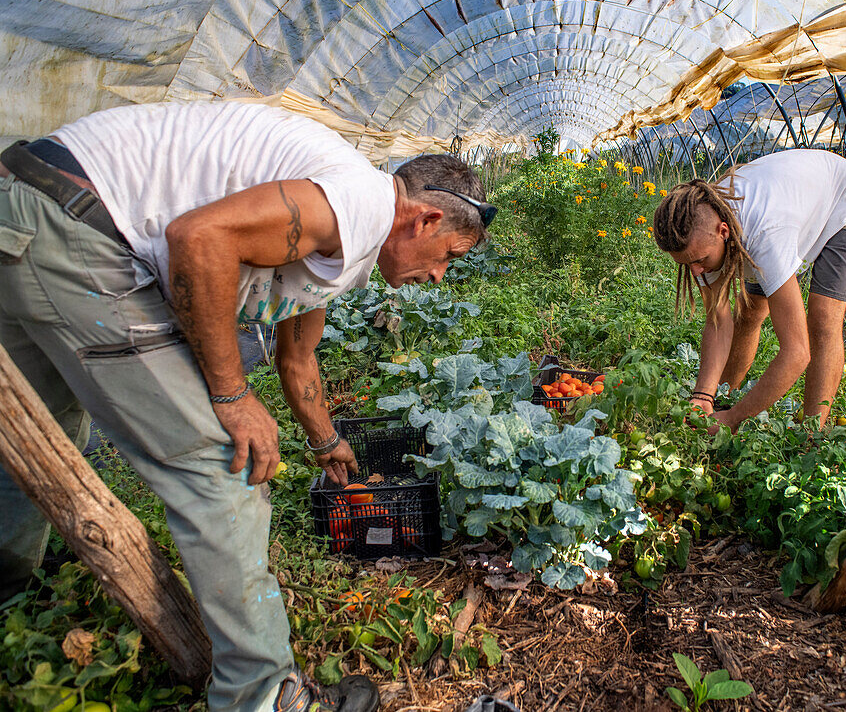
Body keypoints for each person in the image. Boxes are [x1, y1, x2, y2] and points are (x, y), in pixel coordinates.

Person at [0, 100, 495, 712]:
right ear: (422, 219)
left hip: (29, 199)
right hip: (76, 227)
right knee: (220, 462)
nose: (441, 274)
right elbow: (199, 236)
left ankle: (11, 600)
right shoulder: (359, 203)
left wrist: (324, 440)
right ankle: (264, 697)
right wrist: (232, 396)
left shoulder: (346, 226)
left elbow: (296, 356)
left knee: (34, 431)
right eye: (450, 255)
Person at [652, 148, 846, 432]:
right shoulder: (700, 222)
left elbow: (796, 353)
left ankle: (811, 434)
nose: (696, 271)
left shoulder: (765, 236)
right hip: (795, 198)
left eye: (699, 261)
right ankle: (722, 400)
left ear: (724, 232)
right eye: (687, 264)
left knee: (823, 319)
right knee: (748, 312)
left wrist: (736, 419)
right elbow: (718, 320)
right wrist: (702, 395)